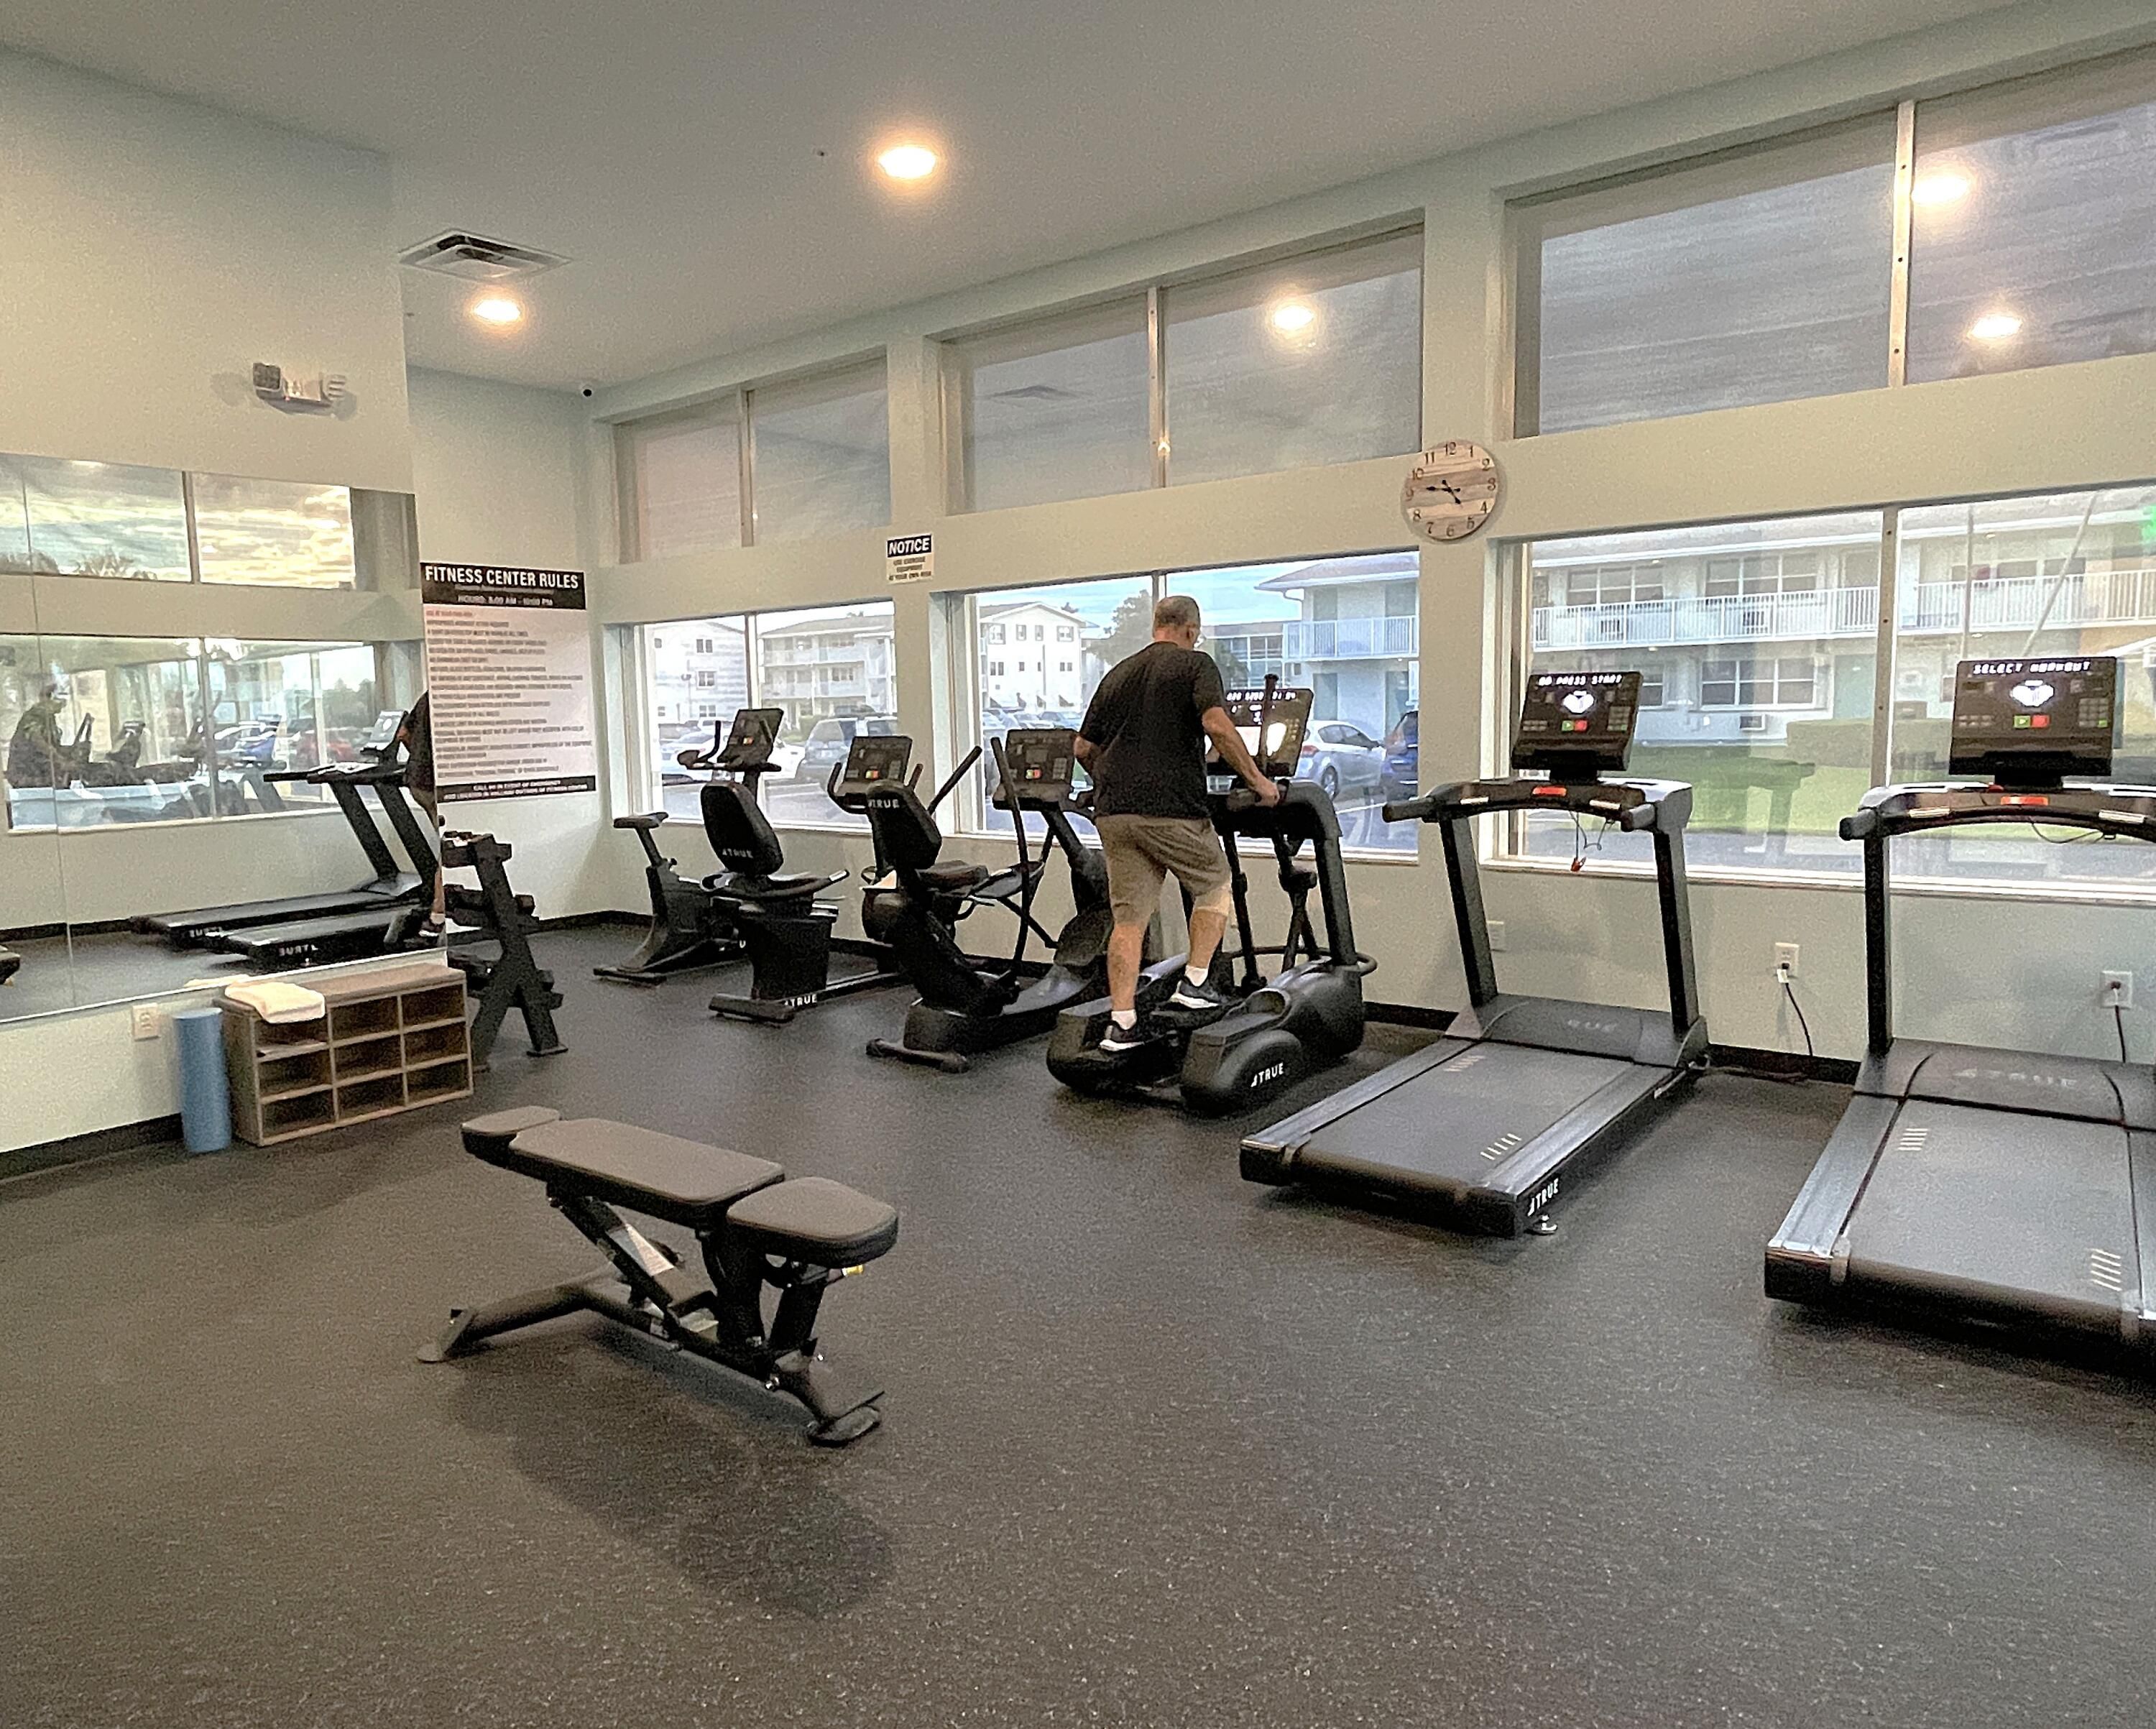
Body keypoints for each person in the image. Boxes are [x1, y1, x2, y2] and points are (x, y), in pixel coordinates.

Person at [1073, 594, 1281, 1054]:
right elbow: (1217, 726)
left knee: (1129, 920)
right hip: (1171, 809)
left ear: (1156, 625)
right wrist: (1258, 781)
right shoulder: (1195, 664)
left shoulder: (1119, 672)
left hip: (1115, 814)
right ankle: (1197, 983)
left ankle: (1122, 1024)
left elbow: (1083, 748)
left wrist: (1111, 780)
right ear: (1191, 630)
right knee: (1215, 883)